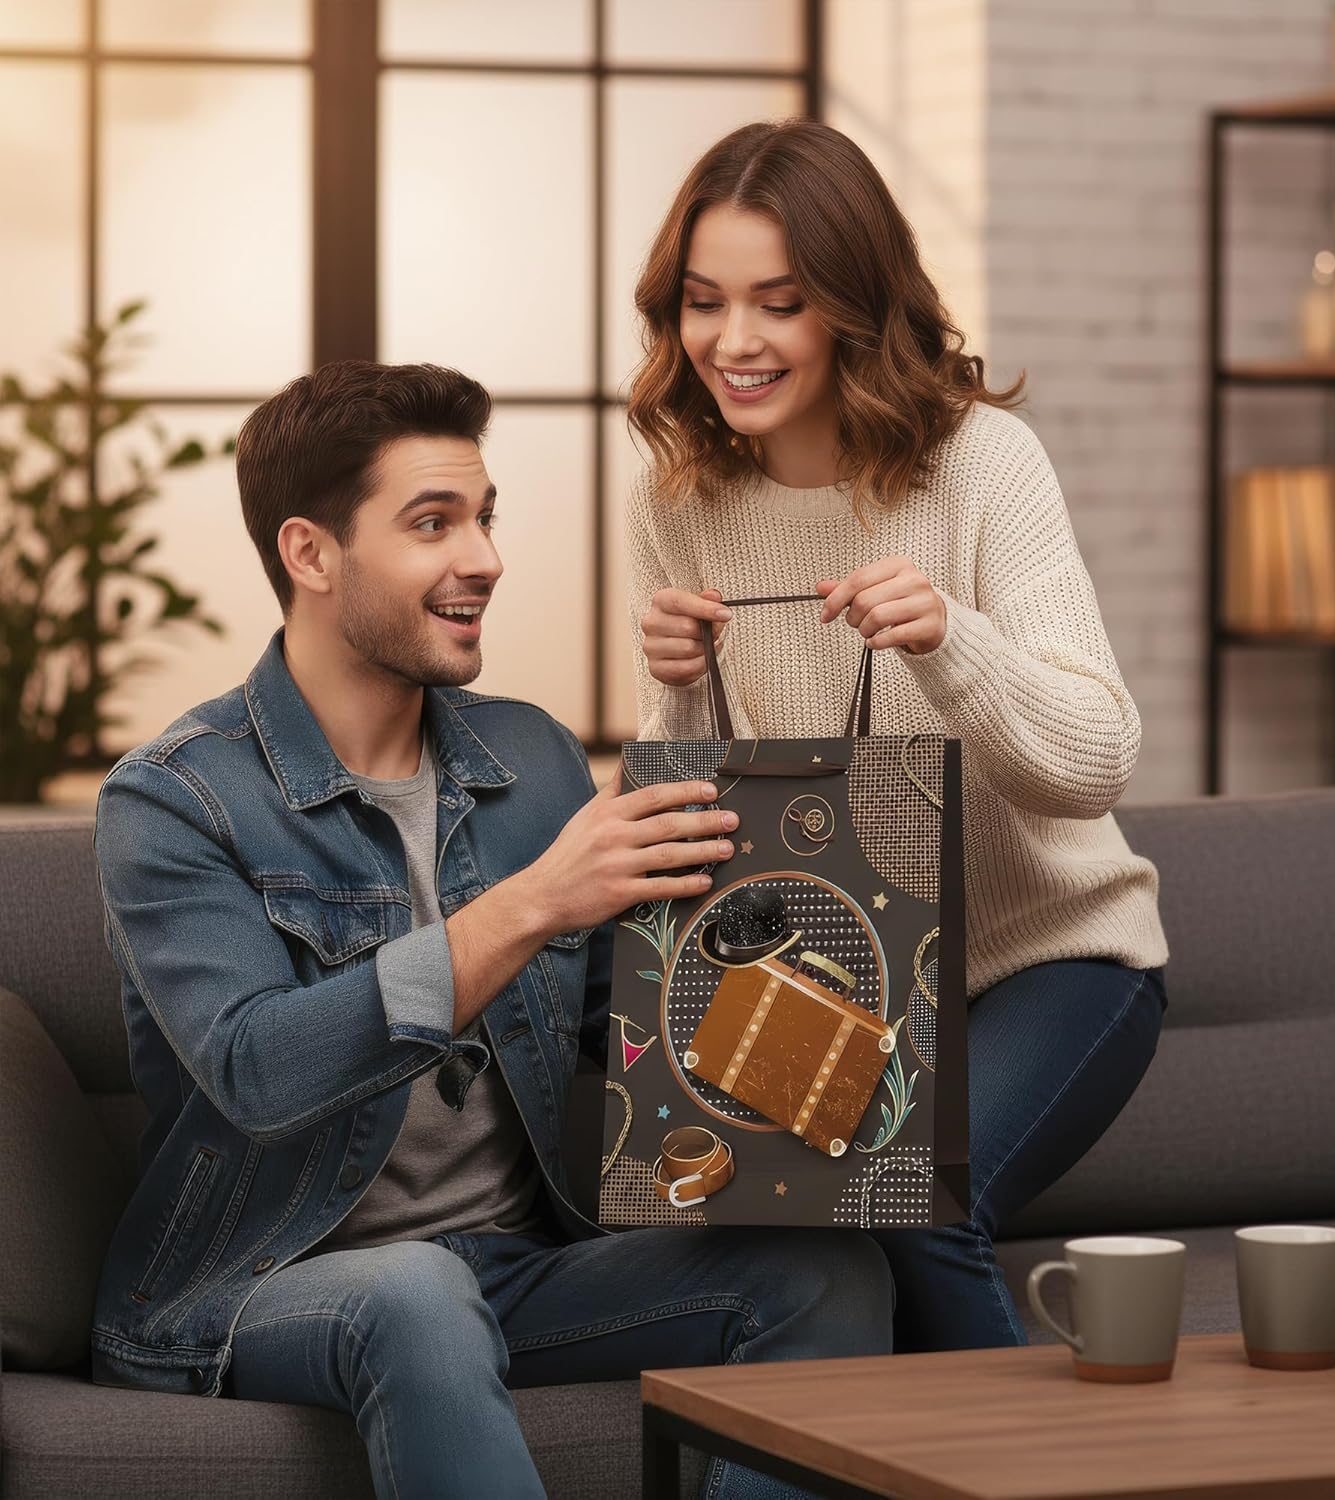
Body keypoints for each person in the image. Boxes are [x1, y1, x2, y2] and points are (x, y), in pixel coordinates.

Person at [90, 360, 893, 1500]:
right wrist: (530, 904)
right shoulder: (174, 799)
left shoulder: (531, 756)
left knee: (826, 1269)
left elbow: (629, 1033)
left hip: (514, 1267)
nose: (485, 558)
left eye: (484, 516)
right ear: (311, 554)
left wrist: (823, 999)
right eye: (433, 523)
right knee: (414, 1288)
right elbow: (256, 1070)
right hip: (260, 1284)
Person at [625, 120, 1170, 1353]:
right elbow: (701, 833)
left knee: (914, 1200)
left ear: (857, 308)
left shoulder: (983, 464)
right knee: (783, 1227)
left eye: (781, 302)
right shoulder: (674, 498)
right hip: (839, 976)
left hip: (1054, 957)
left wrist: (950, 642)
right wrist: (676, 702)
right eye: (705, 303)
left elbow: (1094, 763)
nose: (735, 341)